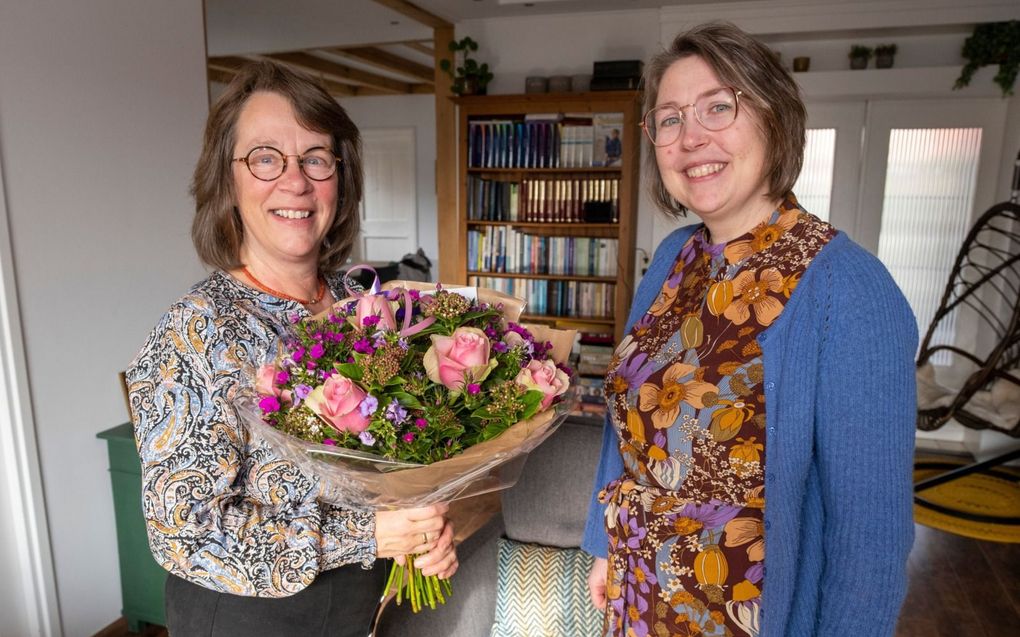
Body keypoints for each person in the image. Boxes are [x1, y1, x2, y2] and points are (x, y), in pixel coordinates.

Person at [582, 22, 917, 637]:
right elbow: (625, 421)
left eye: (718, 107)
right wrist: (602, 543)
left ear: (774, 118)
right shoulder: (671, 258)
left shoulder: (849, 289)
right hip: (636, 598)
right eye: (671, 119)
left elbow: (869, 539)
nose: (691, 138)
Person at [126, 60, 458, 636]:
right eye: (265, 157)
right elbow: (183, 531)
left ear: (340, 177)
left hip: (369, 605)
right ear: (227, 181)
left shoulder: (367, 304)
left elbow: (405, 458)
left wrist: (424, 532)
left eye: (316, 158)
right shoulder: (196, 330)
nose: (296, 181)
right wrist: (371, 534)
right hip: (248, 619)